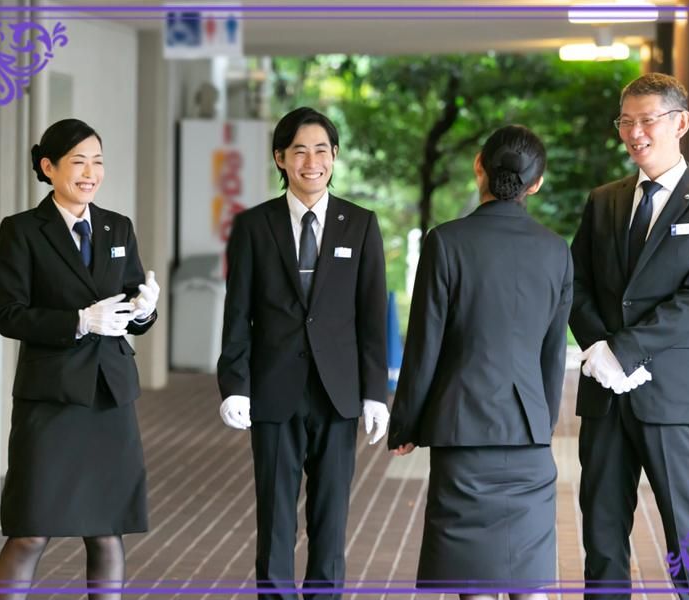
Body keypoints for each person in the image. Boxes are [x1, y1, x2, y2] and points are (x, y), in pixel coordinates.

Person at [570, 72, 689, 599]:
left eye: (647, 120)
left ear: (680, 123)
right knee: (601, 540)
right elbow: (575, 284)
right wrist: (598, 349)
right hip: (605, 396)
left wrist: (624, 351)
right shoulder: (604, 200)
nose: (635, 133)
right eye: (626, 121)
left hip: (674, 398)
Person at [388, 125, 573, 600]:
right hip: (527, 434)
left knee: (472, 580)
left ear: (479, 167)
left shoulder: (446, 242)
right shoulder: (556, 250)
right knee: (529, 579)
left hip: (462, 428)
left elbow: (424, 343)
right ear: (536, 183)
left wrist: (406, 423)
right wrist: (541, 421)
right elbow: (553, 354)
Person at [216, 107, 389, 599]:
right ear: (280, 158)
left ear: (334, 155)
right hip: (274, 391)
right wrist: (235, 385)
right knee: (275, 517)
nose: (311, 162)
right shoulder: (254, 226)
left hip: (338, 393)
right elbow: (238, 314)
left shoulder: (360, 224)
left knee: (330, 519)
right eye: (299, 151)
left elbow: (371, 316)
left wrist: (375, 393)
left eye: (321, 150)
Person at [0, 119, 160, 600]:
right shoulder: (23, 230)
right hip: (51, 398)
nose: (90, 173)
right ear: (49, 167)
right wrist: (79, 321)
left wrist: (145, 311)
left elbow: (131, 305)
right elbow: (8, 314)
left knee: (106, 530)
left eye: (97, 162)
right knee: (30, 529)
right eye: (78, 161)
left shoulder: (117, 226)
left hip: (109, 396)